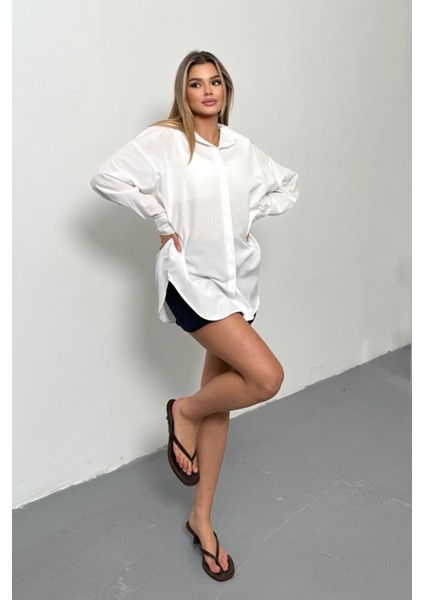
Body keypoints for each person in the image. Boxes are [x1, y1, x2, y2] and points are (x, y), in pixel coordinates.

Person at [90, 50, 299, 582]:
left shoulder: (241, 149)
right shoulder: (164, 141)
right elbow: (107, 178)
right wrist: (161, 219)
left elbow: (288, 184)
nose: (207, 91)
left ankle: (200, 518)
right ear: (182, 93)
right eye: (196, 83)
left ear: (226, 90)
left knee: (221, 401)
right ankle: (182, 411)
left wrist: (253, 212)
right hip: (190, 281)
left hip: (236, 285)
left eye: (215, 82)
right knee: (266, 377)